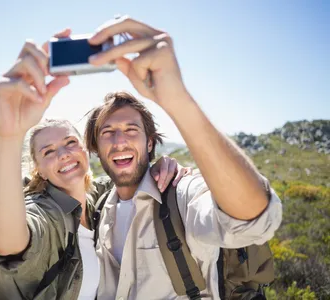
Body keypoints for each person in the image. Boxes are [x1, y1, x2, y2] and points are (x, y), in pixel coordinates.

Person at [83, 16, 284, 299]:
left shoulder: (180, 194)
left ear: (150, 142)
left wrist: (176, 98)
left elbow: (252, 221)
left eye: (131, 129)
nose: (120, 141)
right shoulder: (98, 206)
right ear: (95, 146)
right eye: (108, 132)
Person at [0, 29, 191, 299]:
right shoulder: (47, 212)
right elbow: (9, 242)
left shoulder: (99, 199)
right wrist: (6, 139)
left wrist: (159, 166)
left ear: (85, 149)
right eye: (48, 152)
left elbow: (129, 176)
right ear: (38, 171)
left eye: (70, 143)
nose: (63, 154)